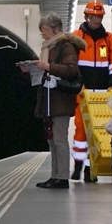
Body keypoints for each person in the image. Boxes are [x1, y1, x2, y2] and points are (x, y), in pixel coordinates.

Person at [70, 0, 112, 180]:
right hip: (83, 93)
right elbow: (72, 65)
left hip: (103, 95)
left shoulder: (110, 40)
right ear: (87, 16)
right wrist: (79, 85)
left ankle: (90, 169)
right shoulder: (76, 37)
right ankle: (78, 166)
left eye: (100, 16)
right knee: (81, 131)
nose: (97, 19)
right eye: (94, 16)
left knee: (102, 131)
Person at [33, 13, 84, 189]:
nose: (43, 35)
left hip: (61, 101)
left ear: (56, 29)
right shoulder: (48, 47)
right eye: (42, 32)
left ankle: (62, 177)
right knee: (52, 140)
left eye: (46, 31)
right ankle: (55, 175)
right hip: (49, 100)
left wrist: (48, 67)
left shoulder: (66, 47)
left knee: (60, 139)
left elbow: (71, 70)